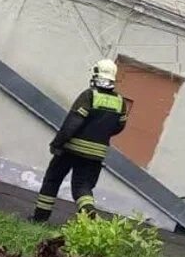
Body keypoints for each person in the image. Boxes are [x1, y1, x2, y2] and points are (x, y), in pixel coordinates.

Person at [30, 59, 129, 222]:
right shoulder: (120, 101)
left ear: (96, 75)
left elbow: (72, 123)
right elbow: (119, 126)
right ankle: (89, 212)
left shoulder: (89, 95)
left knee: (52, 179)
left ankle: (40, 218)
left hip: (71, 149)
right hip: (96, 154)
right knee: (82, 187)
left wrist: (57, 143)